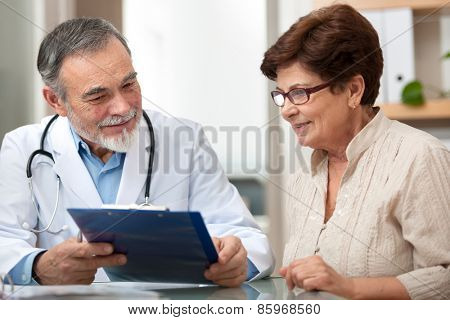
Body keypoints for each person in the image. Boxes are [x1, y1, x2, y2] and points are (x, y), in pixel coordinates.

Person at [0, 17, 274, 287]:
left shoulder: (184, 139)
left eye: (128, 84)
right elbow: (4, 242)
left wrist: (236, 260)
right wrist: (39, 269)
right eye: (98, 96)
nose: (122, 107)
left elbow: (246, 239)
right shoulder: (23, 148)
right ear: (56, 100)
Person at [260, 4, 449, 299]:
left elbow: (445, 277)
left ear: (353, 90)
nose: (286, 111)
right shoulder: (303, 177)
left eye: (299, 93)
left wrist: (351, 289)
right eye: (281, 96)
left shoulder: (420, 157)